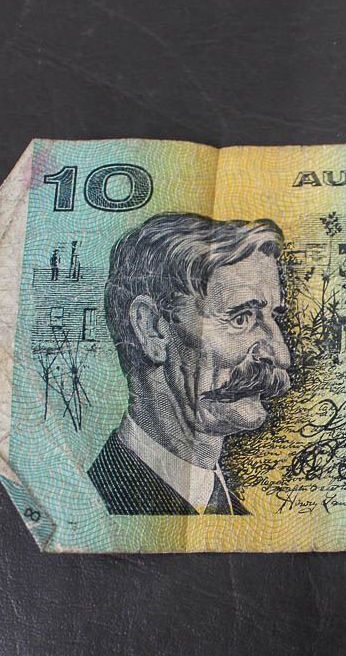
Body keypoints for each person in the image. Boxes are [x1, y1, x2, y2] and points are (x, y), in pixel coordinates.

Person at [88, 213, 292, 515]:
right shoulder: (99, 502)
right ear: (152, 329)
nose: (281, 355)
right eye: (241, 319)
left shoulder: (232, 510)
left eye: (272, 317)